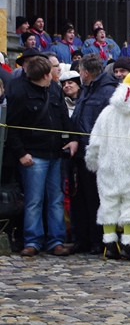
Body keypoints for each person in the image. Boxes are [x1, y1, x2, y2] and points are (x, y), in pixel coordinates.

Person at [6, 55, 78, 257]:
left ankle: (56, 240)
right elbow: (12, 127)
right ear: (45, 75)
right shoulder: (20, 93)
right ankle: (32, 240)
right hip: (33, 154)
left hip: (55, 153)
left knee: (55, 199)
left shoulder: (54, 89)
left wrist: (72, 138)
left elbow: (63, 115)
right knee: (34, 200)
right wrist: (21, 153)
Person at [84, 73, 130, 260]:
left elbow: (94, 141)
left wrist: (93, 162)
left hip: (107, 165)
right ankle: (129, 245)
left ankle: (109, 244)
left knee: (108, 203)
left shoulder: (106, 113)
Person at [70, 54, 119, 253]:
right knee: (81, 198)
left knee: (96, 199)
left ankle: (98, 241)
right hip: (82, 152)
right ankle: (84, 239)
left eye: (81, 72)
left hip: (99, 154)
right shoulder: (88, 90)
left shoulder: (107, 92)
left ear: (86, 73)